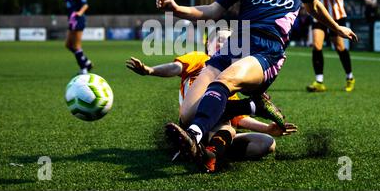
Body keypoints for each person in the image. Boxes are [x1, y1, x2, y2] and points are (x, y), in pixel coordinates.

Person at [155, 0, 357, 169]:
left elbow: (314, 6)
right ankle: (250, 106)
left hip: (267, 51)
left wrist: (337, 27)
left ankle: (196, 139)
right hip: (234, 46)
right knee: (188, 113)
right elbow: (213, 11)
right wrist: (177, 9)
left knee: (223, 82)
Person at [126, 28, 297, 172]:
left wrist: (267, 128)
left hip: (214, 132)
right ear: (208, 44)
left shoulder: (230, 79)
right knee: (224, 121)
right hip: (192, 119)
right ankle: (252, 105)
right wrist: (150, 70)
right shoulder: (201, 59)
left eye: (230, 42)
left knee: (266, 143)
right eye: (220, 40)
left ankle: (208, 153)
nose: (225, 45)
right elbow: (175, 67)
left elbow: (239, 119)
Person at [306, 0, 355, 93]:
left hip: (336, 13)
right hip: (319, 14)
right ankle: (319, 81)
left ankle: (349, 77)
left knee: (339, 47)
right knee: (316, 45)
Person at [63, 0, 93, 74]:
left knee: (76, 46)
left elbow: (85, 4)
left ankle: (84, 69)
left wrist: (79, 13)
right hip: (71, 20)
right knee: (67, 45)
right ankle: (86, 62)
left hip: (78, 20)